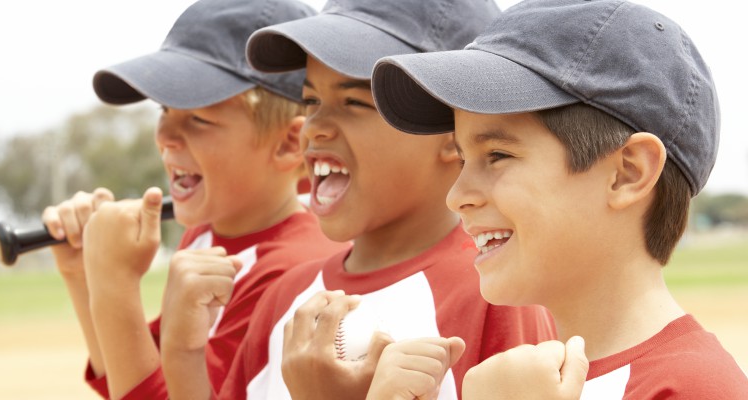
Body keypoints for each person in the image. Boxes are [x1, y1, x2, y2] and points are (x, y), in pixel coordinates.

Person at [157, 0, 557, 399]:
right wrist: (183, 354)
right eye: (311, 100)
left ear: (454, 133)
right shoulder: (287, 295)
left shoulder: (496, 296)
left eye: (355, 102)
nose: (315, 128)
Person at [367, 0, 748, 398]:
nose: (456, 195)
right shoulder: (524, 382)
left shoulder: (696, 387)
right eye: (463, 159)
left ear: (627, 173)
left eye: (497, 155)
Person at [40, 0, 349, 399]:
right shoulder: (208, 233)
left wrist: (113, 283)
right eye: (164, 110)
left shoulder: (293, 270)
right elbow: (134, 374)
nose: (165, 136)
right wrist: (84, 276)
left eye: (199, 119)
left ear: (290, 142)